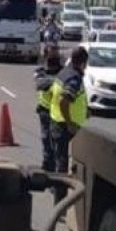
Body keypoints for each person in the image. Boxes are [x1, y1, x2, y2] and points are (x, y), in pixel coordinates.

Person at [47, 46, 88, 192]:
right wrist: (70, 122)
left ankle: (59, 193)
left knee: (61, 161)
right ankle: (60, 201)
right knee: (62, 166)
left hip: (56, 121)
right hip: (66, 125)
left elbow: (54, 95)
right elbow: (64, 101)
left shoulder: (63, 73)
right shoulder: (74, 78)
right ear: (83, 63)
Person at [34, 47, 63, 172]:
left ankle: (57, 165)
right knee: (46, 138)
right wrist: (56, 81)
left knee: (57, 140)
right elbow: (40, 85)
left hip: (59, 112)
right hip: (45, 110)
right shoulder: (41, 71)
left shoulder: (63, 71)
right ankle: (47, 164)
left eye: (55, 59)